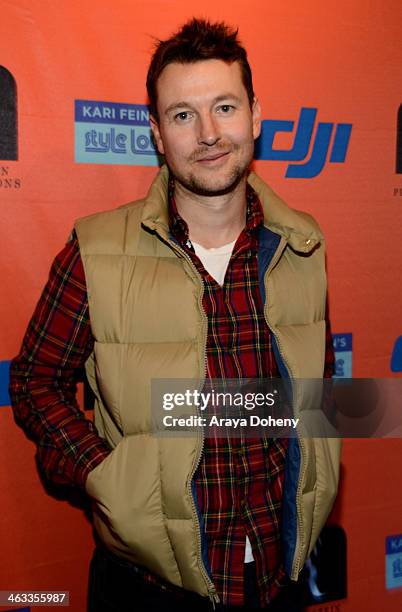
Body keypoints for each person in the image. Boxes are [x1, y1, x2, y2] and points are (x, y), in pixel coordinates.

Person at [9, 18, 341, 612]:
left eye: (224, 107)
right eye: (183, 115)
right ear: (159, 134)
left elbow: (317, 389)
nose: (209, 133)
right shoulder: (95, 250)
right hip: (149, 587)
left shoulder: (304, 244)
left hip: (279, 576)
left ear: (256, 116)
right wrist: (109, 476)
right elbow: (35, 382)